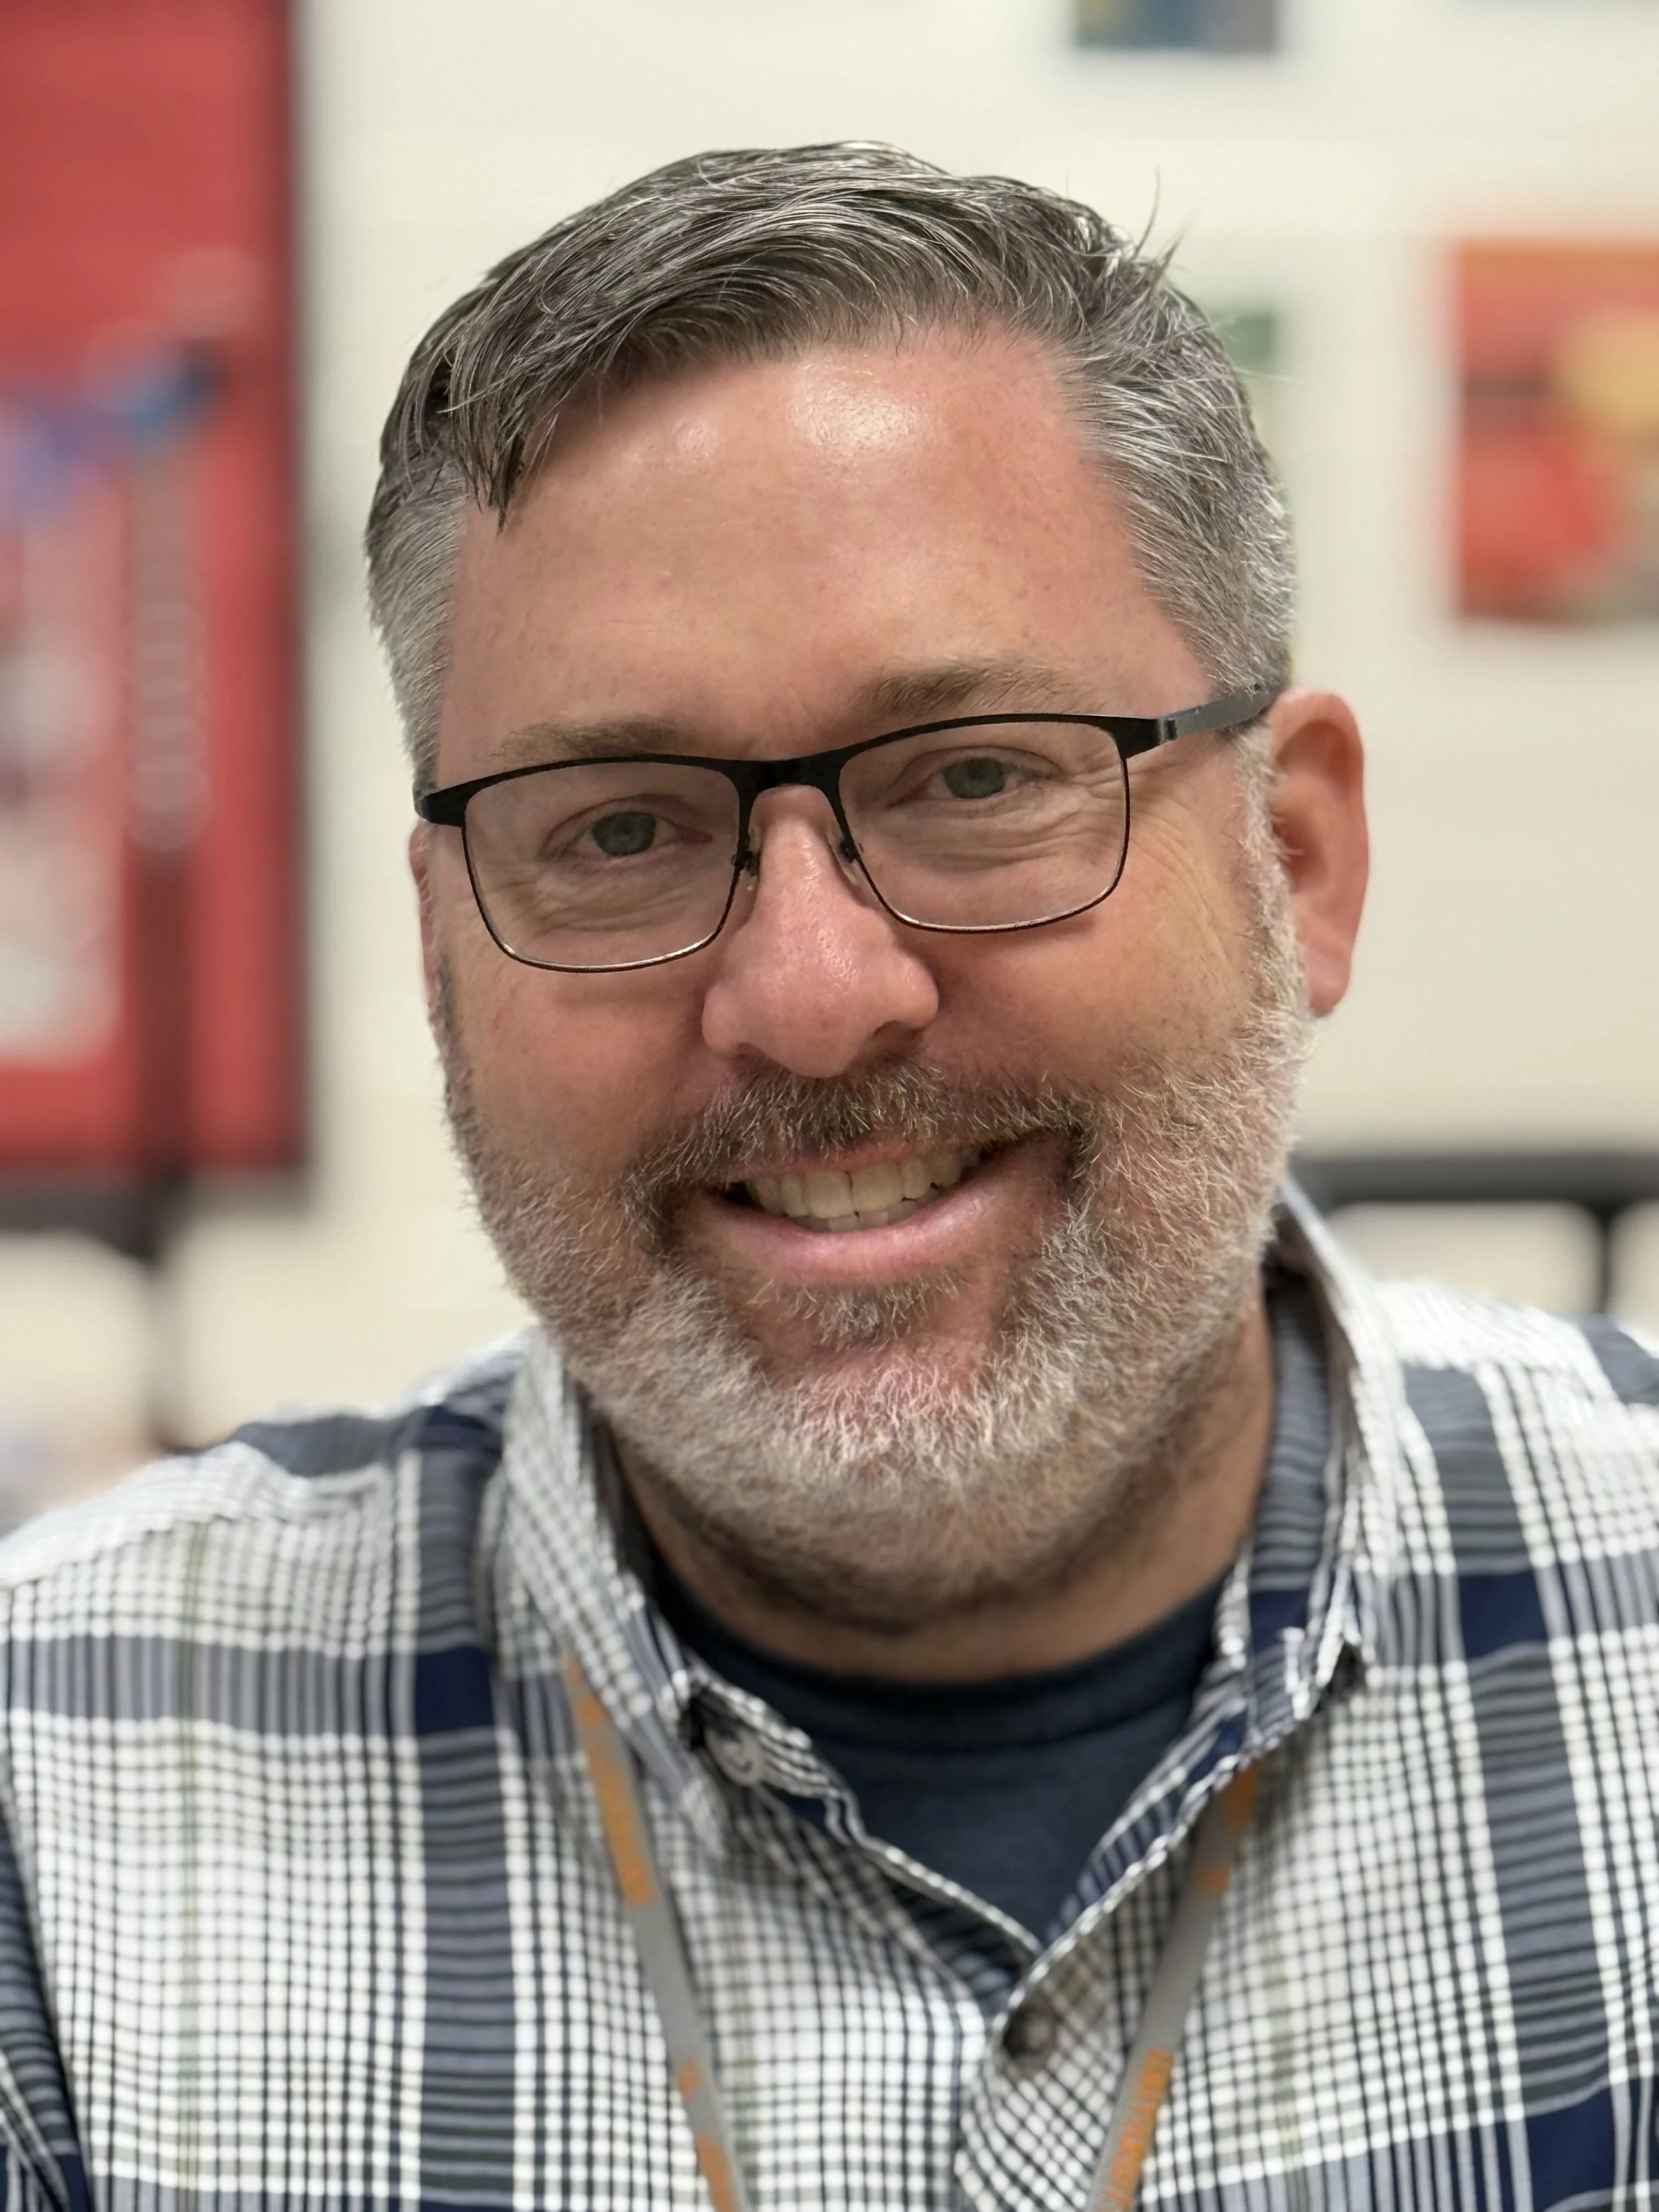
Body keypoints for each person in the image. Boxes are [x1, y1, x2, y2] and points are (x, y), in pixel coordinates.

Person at [1, 144, 1655, 2212]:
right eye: (616, 829)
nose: (807, 994)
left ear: (1295, 865)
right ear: (445, 959)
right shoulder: (66, 1812)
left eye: (975, 777)